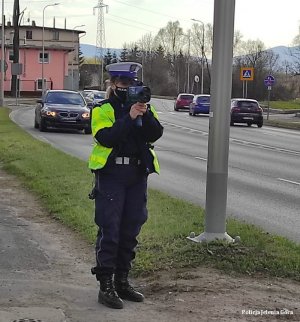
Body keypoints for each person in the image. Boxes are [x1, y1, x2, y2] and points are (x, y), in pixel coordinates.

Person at [88, 62, 164, 309]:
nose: (127, 88)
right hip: (111, 174)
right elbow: (105, 137)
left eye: (131, 83)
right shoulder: (103, 109)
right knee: (110, 229)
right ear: (113, 84)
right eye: (122, 83)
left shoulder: (143, 107)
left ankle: (122, 280)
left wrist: (145, 112)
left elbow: (155, 134)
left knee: (131, 228)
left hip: (136, 175)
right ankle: (106, 285)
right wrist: (129, 117)